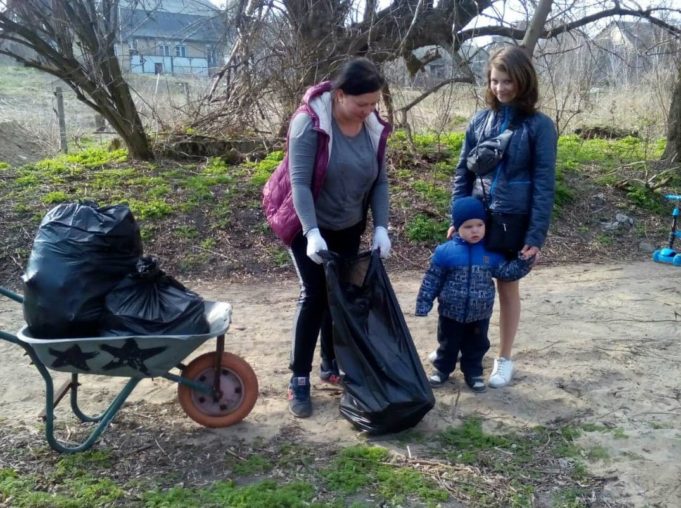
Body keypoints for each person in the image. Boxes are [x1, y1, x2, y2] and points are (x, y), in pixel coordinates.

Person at [262, 57, 392, 417]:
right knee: (316, 293)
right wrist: (311, 233)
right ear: (339, 95)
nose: (369, 111)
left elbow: (380, 181)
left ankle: (331, 363)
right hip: (306, 221)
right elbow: (300, 184)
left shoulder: (372, 128)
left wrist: (382, 226)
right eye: (362, 103)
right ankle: (298, 380)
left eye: (374, 104)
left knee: (342, 294)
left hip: (348, 222)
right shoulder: (310, 124)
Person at [449, 45, 557, 388]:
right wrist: (458, 215)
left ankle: (504, 359)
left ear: (524, 80)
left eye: (508, 80)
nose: (500, 88)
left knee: (506, 286)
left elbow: (544, 184)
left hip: (515, 220)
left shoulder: (540, 127)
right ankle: (468, 357)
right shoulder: (480, 120)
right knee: (471, 286)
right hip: (479, 217)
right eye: (495, 81)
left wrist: (535, 237)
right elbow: (461, 172)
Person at [416, 197, 534, 392]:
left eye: (480, 225)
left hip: (479, 315)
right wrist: (424, 303)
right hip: (450, 313)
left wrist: (524, 262)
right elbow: (432, 280)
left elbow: (506, 273)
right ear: (456, 228)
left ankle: (473, 373)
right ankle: (442, 370)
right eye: (469, 226)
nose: (475, 230)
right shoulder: (445, 252)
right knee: (447, 343)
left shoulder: (492, 253)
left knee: (477, 346)